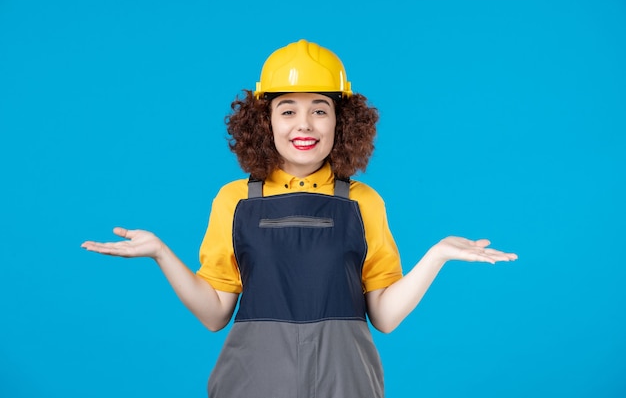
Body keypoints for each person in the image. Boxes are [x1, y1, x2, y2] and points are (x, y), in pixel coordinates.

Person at [81, 39, 517, 398]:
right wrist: (161, 253)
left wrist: (437, 255)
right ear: (264, 121)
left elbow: (383, 315)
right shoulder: (234, 199)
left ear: (340, 122)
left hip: (346, 384)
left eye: (319, 110)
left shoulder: (364, 202)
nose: (303, 125)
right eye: (287, 109)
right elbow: (215, 313)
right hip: (252, 384)